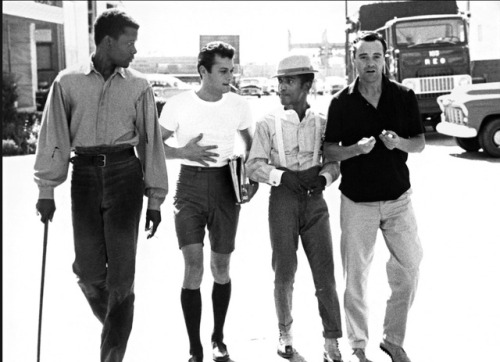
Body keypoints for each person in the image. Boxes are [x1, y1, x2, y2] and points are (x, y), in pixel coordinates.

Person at [34, 9, 168, 362]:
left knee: (123, 276)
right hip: (85, 177)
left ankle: (111, 357)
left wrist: (155, 199)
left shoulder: (139, 86)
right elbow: (54, 138)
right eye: (130, 43)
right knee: (89, 272)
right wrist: (46, 190)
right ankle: (117, 324)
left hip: (126, 175)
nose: (135, 51)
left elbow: (151, 143)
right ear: (108, 42)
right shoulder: (67, 82)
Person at [323, 31, 425, 362]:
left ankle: (392, 339)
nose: (370, 63)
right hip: (357, 202)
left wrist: (400, 143)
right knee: (356, 277)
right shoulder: (341, 102)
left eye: (376, 56)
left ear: (386, 59)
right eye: (364, 57)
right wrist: (355, 150)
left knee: (409, 268)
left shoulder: (404, 96)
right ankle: (357, 345)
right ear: (354, 60)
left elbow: (420, 143)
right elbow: (329, 150)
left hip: (398, 200)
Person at [159, 41, 255, 362]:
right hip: (189, 187)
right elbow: (151, 148)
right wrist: (182, 152)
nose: (230, 76)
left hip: (225, 188)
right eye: (223, 71)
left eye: (232, 69)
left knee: (221, 267)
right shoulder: (178, 104)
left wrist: (249, 175)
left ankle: (218, 338)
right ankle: (194, 347)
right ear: (203, 72)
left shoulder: (239, 105)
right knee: (193, 267)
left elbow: (252, 146)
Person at [246, 54, 343, 362]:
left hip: (315, 201)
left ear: (307, 85)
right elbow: (253, 166)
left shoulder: (322, 123)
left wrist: (324, 179)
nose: (282, 88)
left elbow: (333, 162)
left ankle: (331, 341)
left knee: (325, 274)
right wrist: (280, 176)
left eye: (289, 81)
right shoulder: (267, 124)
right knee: (284, 271)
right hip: (283, 201)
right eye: (280, 81)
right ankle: (285, 334)